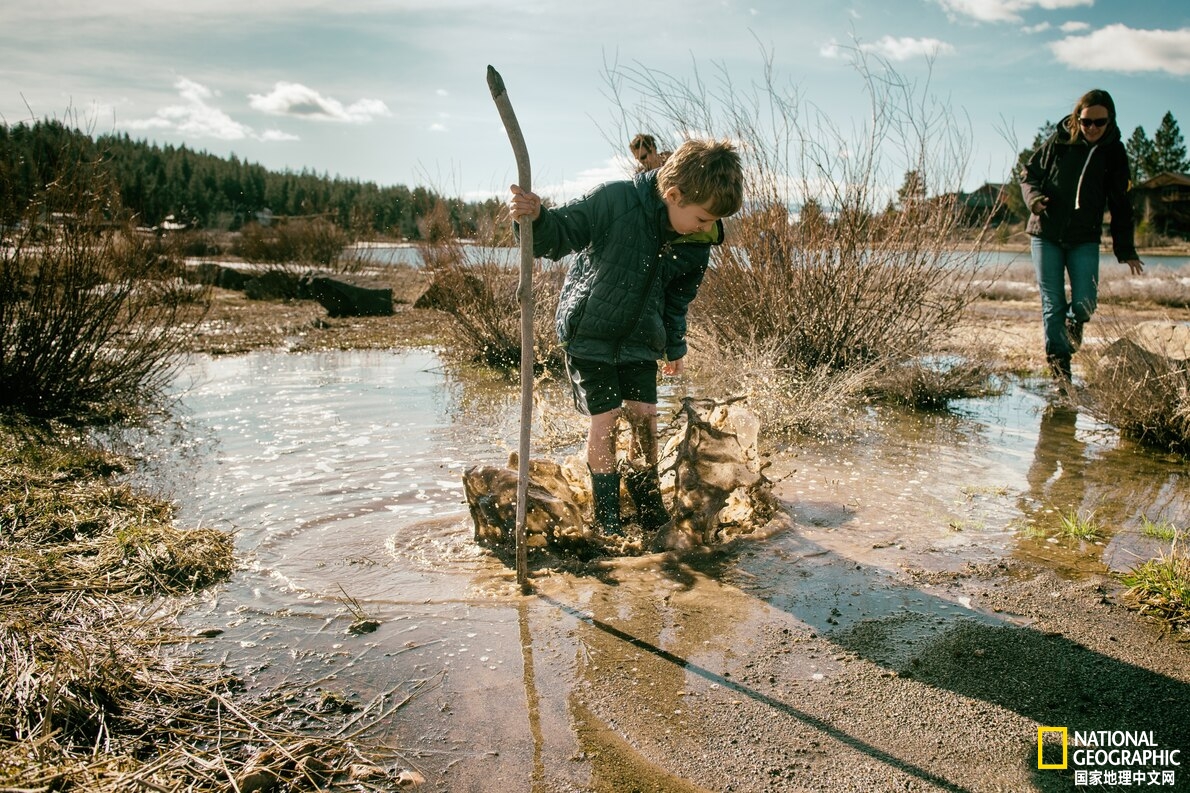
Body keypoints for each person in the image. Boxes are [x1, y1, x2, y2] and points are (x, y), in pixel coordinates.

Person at [508, 139, 744, 536]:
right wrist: (532, 217)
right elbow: (558, 236)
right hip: (590, 335)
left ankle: (648, 504)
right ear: (673, 195)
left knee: (644, 419)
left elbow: (677, 298)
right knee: (607, 420)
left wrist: (674, 345)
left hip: (641, 340)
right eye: (702, 218)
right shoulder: (616, 201)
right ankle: (607, 518)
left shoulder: (695, 240)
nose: (707, 228)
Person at [1020, 88, 1144, 392]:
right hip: (1045, 233)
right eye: (1086, 121)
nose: (1091, 128)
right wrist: (1033, 198)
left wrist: (1125, 249)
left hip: (1084, 238)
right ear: (1078, 118)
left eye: (1099, 123)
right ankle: (1061, 374)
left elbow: (1121, 204)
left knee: (1086, 301)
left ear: (1110, 121)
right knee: (1053, 304)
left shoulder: (1114, 153)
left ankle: (1075, 325)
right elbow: (1028, 174)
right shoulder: (1061, 141)